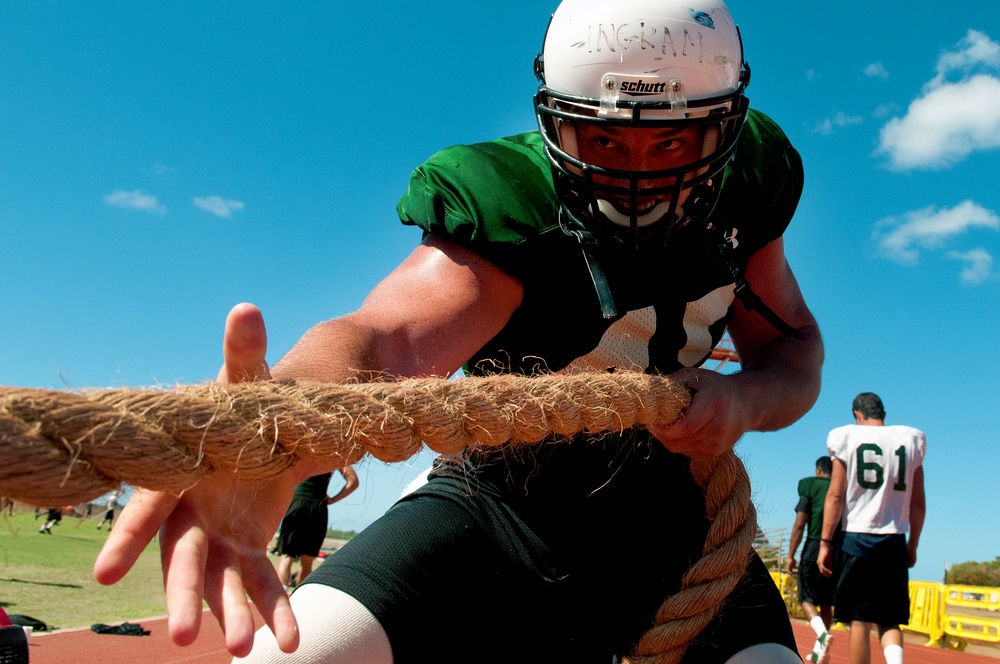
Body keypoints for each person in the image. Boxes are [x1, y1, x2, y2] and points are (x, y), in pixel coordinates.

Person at [94, 0, 824, 662]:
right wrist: (273, 424)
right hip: (504, 501)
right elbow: (387, 340)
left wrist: (746, 400)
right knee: (294, 658)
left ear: (723, 127)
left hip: (674, 512)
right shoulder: (513, 201)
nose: (636, 176)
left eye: (672, 144)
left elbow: (792, 348)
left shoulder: (751, 185)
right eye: (602, 141)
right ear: (555, 122)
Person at [818, 393, 926, 664]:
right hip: (894, 538)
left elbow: (835, 496)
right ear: (883, 414)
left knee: (859, 619)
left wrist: (824, 543)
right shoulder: (910, 439)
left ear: (857, 415)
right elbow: (918, 502)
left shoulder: (848, 438)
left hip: (857, 537)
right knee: (890, 620)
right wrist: (913, 544)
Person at [787, 456, 839, 664]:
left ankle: (823, 636)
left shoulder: (809, 486)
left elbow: (800, 523)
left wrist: (791, 554)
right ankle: (819, 650)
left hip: (815, 545)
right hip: (837, 549)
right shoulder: (842, 487)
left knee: (805, 598)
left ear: (818, 470)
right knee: (826, 603)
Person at [275, 468, 359, 592]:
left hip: (298, 503)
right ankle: (299, 601)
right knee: (307, 562)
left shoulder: (303, 449)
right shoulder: (337, 454)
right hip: (318, 507)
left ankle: (281, 599)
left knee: (287, 557)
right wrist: (333, 499)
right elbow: (353, 482)